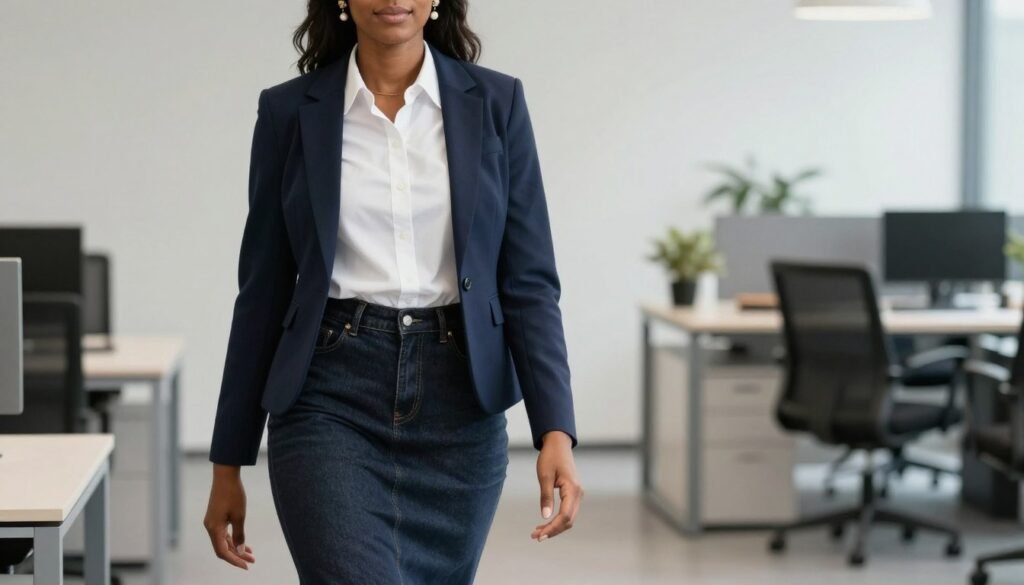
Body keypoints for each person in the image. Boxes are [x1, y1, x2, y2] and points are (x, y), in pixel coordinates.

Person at [202, 0, 582, 582]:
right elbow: (263, 291)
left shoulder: (497, 102)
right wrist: (228, 460)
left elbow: (528, 282)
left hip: (461, 403)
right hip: (329, 393)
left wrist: (555, 428)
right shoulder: (288, 112)